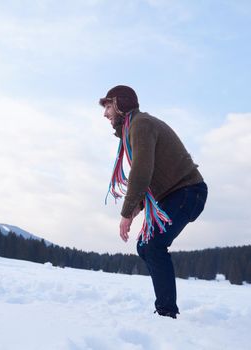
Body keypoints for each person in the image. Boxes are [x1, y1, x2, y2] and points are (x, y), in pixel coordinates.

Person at [100, 85, 208, 319]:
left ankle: (166, 312)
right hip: (176, 194)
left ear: (120, 104)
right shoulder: (134, 128)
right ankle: (165, 307)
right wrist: (137, 208)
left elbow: (142, 170)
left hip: (188, 192)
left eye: (108, 106)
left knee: (154, 246)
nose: (105, 113)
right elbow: (149, 178)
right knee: (145, 247)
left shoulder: (140, 125)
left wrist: (127, 212)